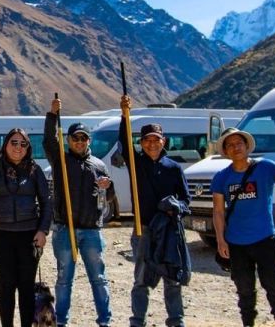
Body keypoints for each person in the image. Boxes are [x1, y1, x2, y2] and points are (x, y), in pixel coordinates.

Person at [212, 128, 275, 327]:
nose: (235, 147)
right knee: (244, 290)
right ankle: (248, 323)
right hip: (236, 243)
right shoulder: (221, 177)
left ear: (247, 146)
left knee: (274, 286)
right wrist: (221, 240)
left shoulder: (265, 168)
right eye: (230, 145)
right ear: (226, 151)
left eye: (239, 143)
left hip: (265, 239)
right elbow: (219, 212)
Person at [119, 95, 191, 327]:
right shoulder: (135, 162)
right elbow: (122, 141)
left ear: (164, 141)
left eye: (156, 140)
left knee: (172, 280)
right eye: (147, 140)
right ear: (141, 143)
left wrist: (175, 206)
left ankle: (176, 321)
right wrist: (124, 114)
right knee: (141, 279)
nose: (152, 144)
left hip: (170, 232)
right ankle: (137, 321)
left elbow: (186, 201)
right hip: (144, 229)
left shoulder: (174, 168)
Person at [44, 99, 115, 327]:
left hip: (92, 230)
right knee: (64, 280)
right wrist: (52, 115)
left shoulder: (98, 165)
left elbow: (109, 196)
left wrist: (109, 186)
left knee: (99, 278)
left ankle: (105, 321)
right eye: (75, 138)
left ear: (89, 140)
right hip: (65, 229)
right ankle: (61, 321)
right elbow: (48, 141)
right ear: (68, 140)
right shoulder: (60, 161)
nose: (79, 141)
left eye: (83, 138)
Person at [0, 128, 53, 327]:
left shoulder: (34, 170)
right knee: (7, 286)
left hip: (29, 236)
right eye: (14, 142)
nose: (18, 147)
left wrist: (43, 230)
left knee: (26, 287)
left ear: (28, 148)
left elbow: (47, 202)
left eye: (23, 144)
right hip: (0, 235)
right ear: (6, 144)